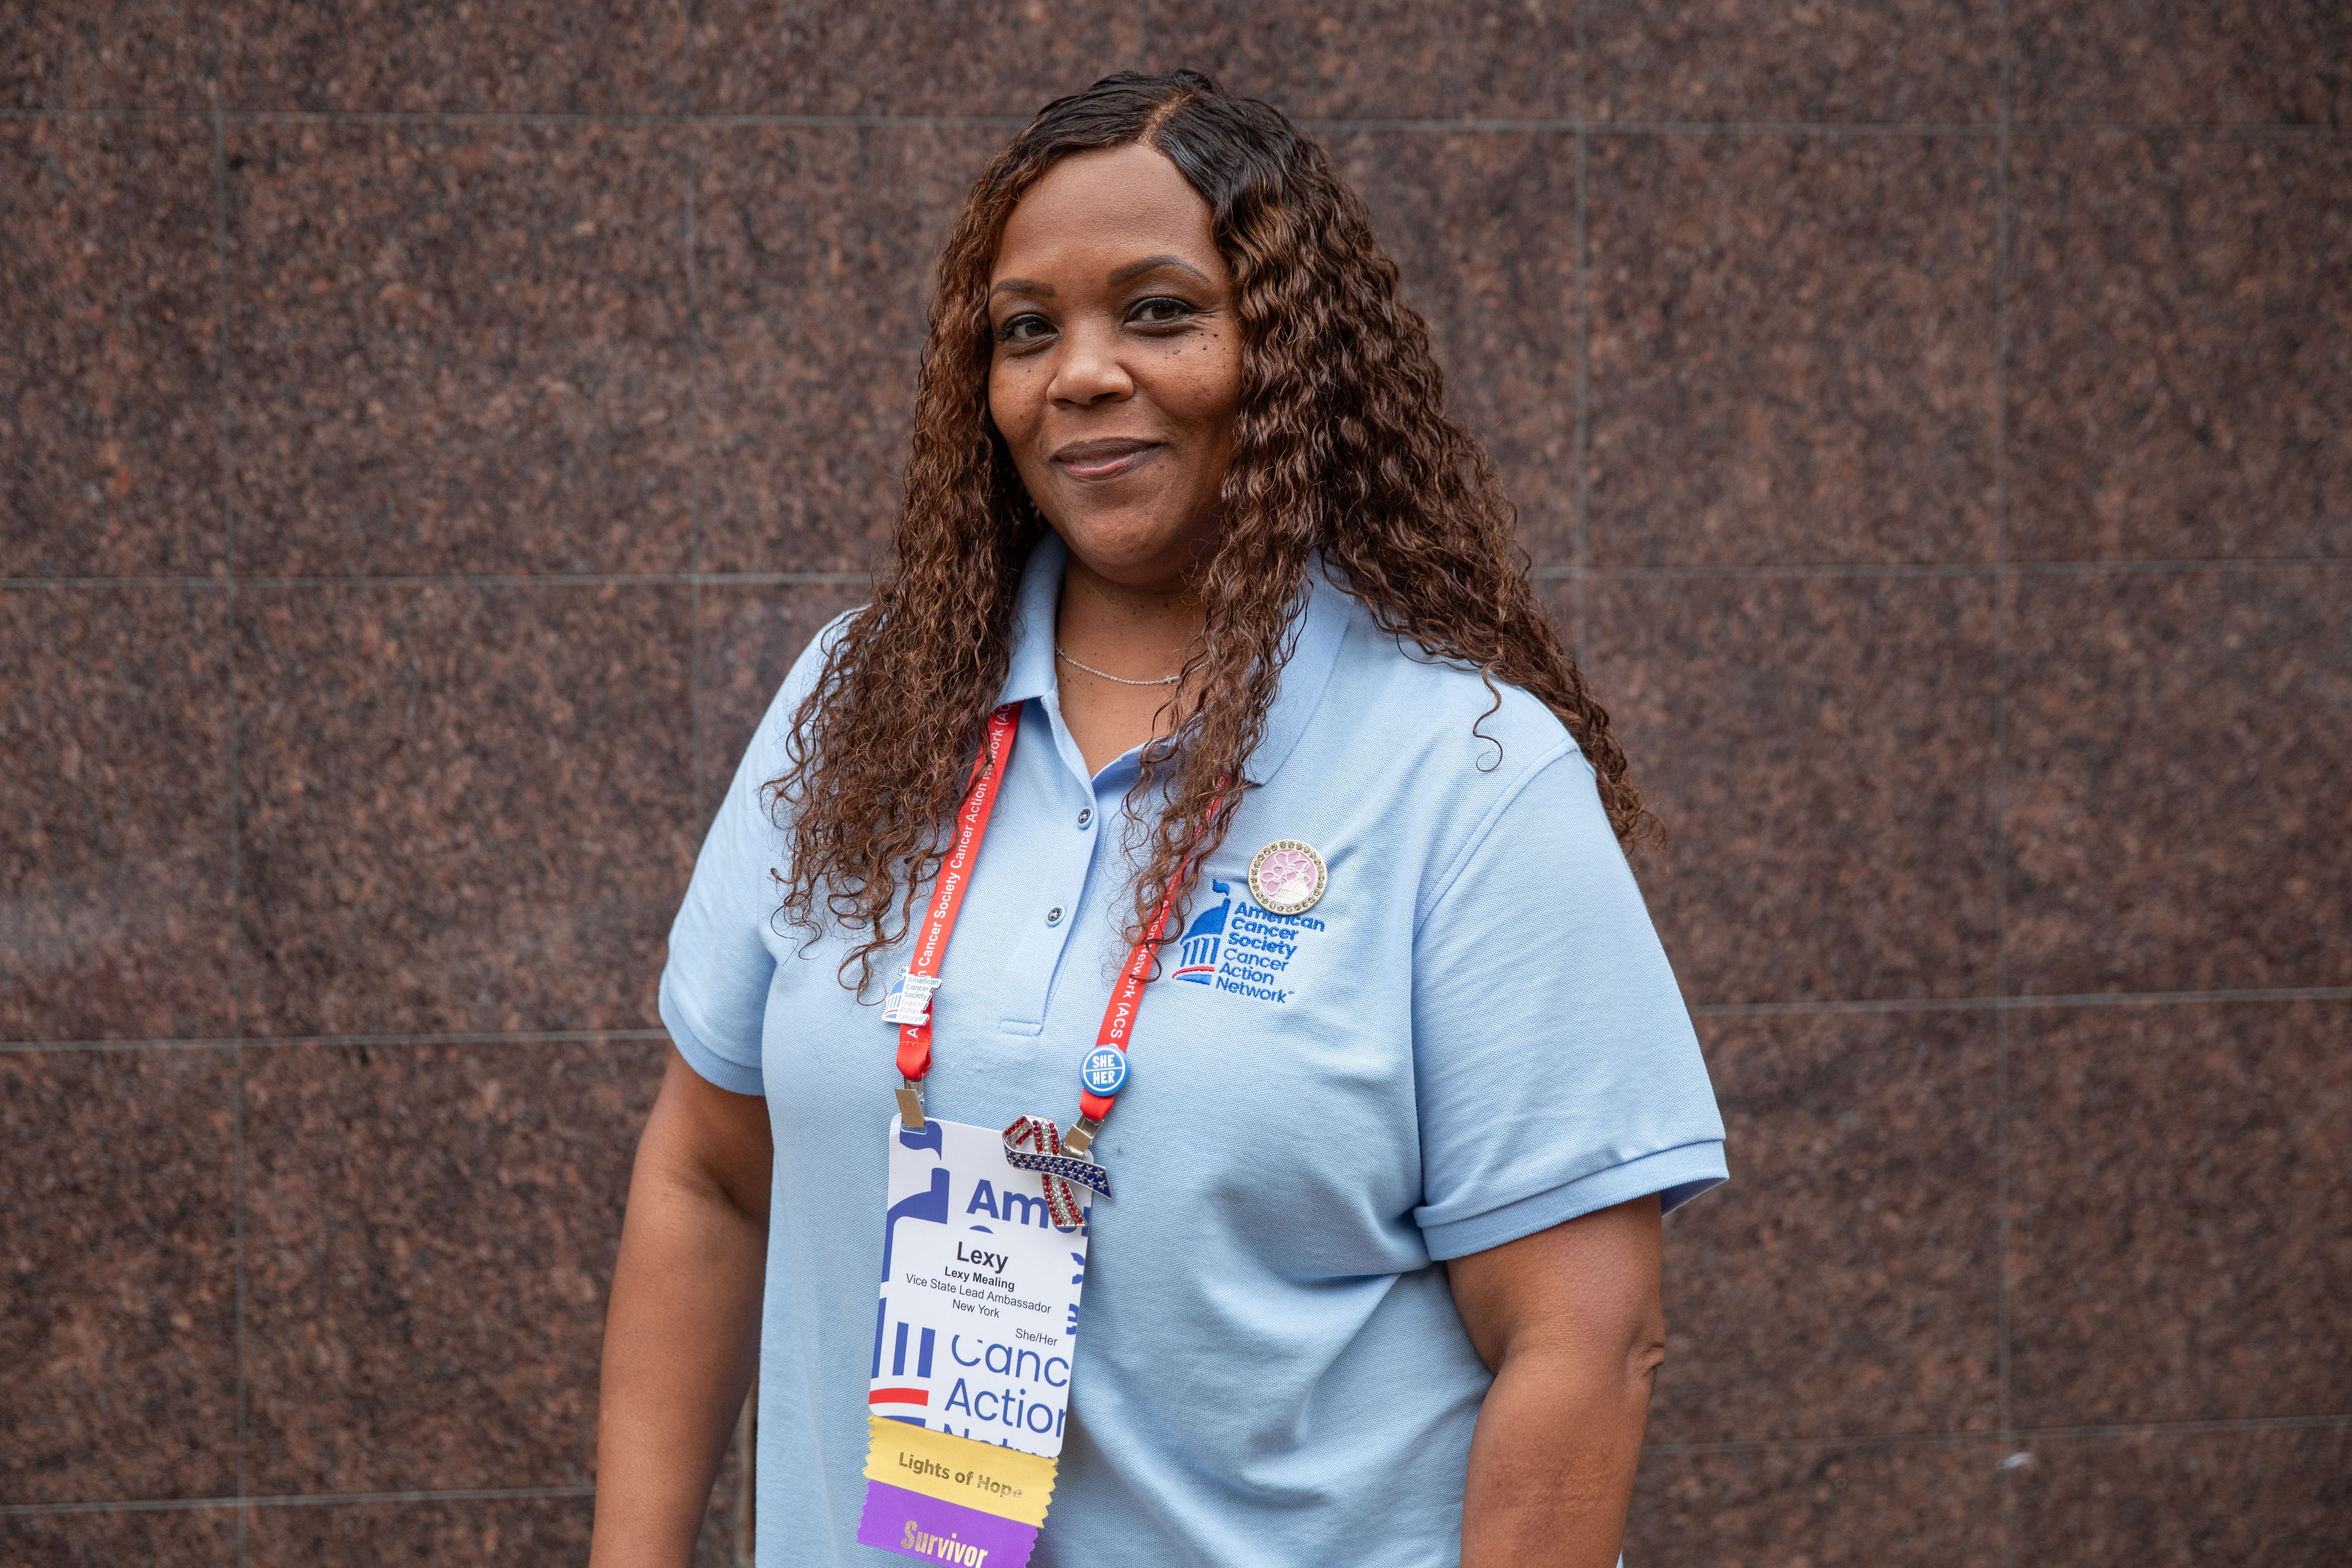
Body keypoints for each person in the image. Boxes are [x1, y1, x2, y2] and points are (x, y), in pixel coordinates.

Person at [590, 70, 1725, 1568]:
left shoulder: (1467, 773)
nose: (1082, 372)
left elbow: (1586, 1341)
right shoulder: (854, 705)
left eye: (1161, 311)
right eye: (1027, 327)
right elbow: (709, 1173)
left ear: (1287, 354)